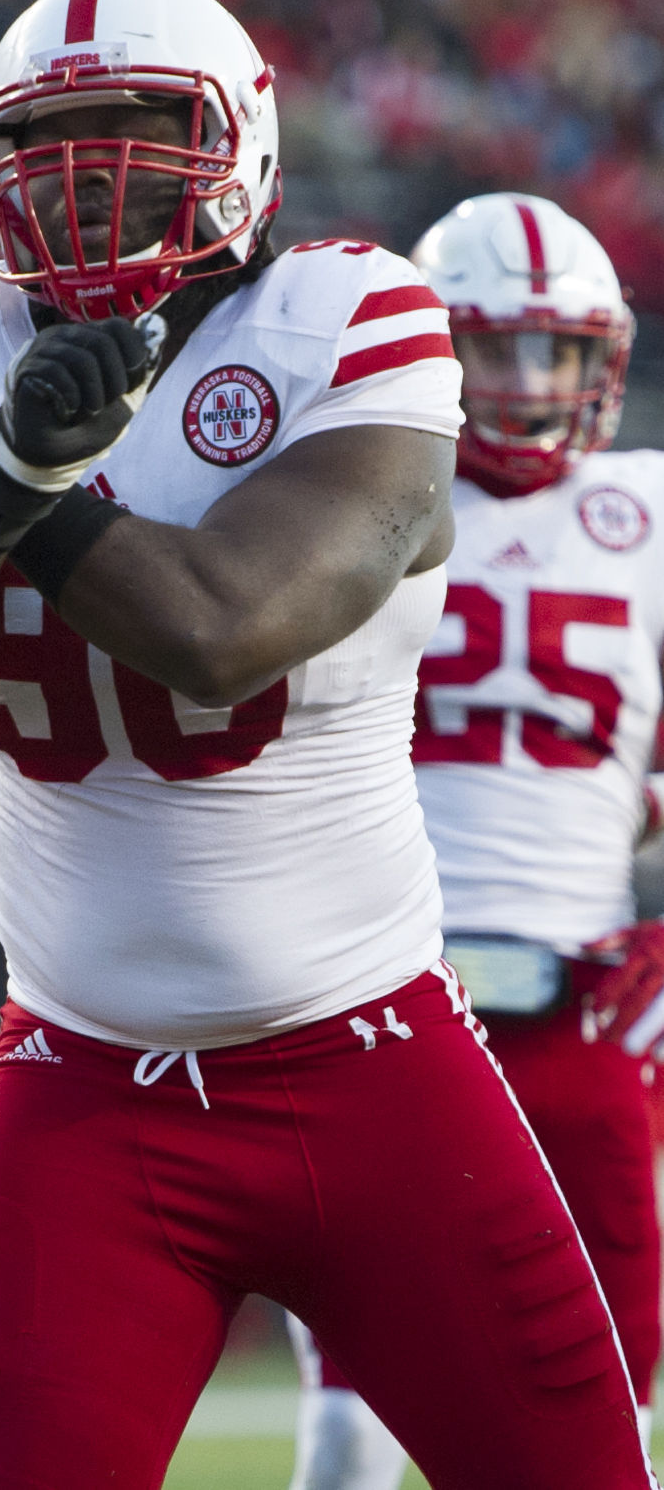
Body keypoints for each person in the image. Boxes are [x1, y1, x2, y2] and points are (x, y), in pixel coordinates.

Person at [0, 0, 657, 1489]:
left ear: (241, 142)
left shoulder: (347, 312)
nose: (92, 176)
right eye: (49, 141)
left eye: (138, 127)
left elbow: (220, 622)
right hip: (78, 1085)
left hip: (376, 1074)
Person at [287, 193, 664, 1490]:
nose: (522, 381)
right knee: (351, 1416)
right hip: (383, 998)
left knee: (606, 1405)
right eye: (491, 346)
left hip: (581, 1001)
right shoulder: (348, 490)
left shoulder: (644, 513)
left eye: (551, 350)